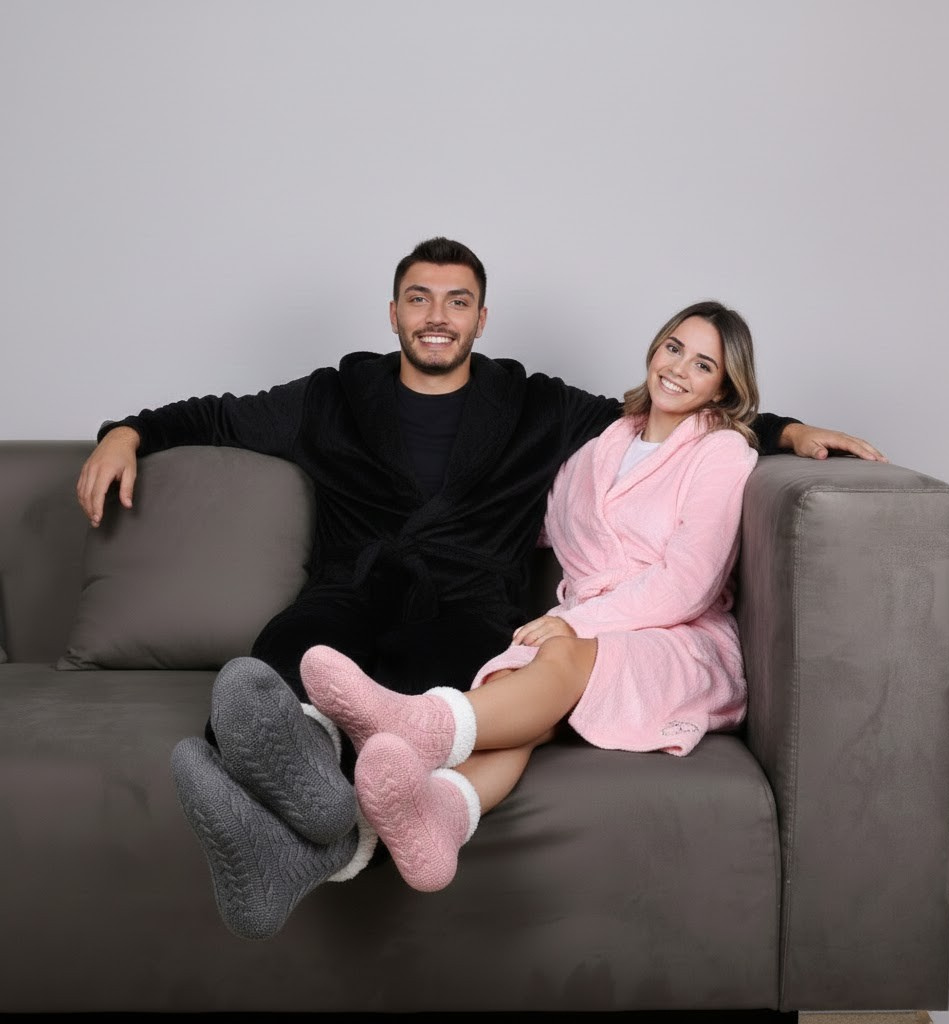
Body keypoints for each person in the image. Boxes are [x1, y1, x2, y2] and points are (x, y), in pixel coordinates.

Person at [75, 237, 885, 939]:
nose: (438, 315)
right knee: (283, 654)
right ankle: (306, 787)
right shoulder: (333, 394)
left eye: (457, 301)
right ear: (393, 312)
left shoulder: (537, 405)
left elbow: (681, 420)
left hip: (466, 607)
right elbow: (218, 416)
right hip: (349, 587)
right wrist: (127, 432)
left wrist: (789, 431)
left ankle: (311, 791)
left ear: (481, 319)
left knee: (430, 679)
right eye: (419, 298)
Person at [299, 299, 761, 895]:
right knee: (515, 694)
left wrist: (578, 623)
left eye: (703, 365)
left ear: (723, 388)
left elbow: (688, 584)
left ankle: (418, 723)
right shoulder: (602, 446)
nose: (678, 369)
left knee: (556, 653)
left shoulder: (721, 453)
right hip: (585, 625)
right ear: (655, 349)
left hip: (678, 638)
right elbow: (530, 521)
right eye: (674, 348)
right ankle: (440, 817)